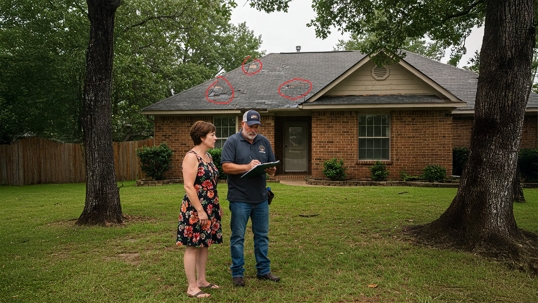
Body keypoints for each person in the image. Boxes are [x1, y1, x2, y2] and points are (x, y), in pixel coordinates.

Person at [221, 110, 279, 287]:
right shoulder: (232, 142)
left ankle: (263, 270)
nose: (253, 129)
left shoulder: (264, 142)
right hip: (239, 198)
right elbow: (226, 167)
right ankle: (237, 273)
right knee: (238, 236)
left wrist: (271, 170)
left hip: (260, 198)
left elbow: (272, 166)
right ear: (242, 124)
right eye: (250, 126)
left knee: (262, 236)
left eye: (256, 126)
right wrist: (247, 166)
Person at [176, 121, 223, 298]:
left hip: (210, 206)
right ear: (202, 137)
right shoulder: (191, 157)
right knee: (193, 246)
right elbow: (188, 186)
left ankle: (202, 281)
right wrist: (201, 211)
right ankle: (191, 287)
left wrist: (216, 207)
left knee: (204, 244)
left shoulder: (208, 157)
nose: (215, 138)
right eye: (212, 135)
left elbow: (210, 185)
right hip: (195, 208)